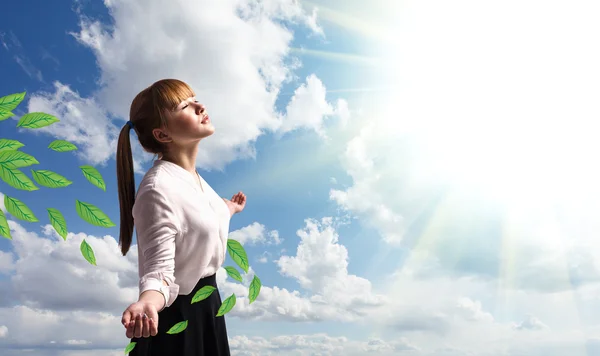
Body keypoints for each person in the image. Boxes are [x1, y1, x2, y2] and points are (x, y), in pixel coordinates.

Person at [115, 79, 246, 356]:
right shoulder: (157, 189)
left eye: (195, 99)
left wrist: (229, 209)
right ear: (162, 135)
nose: (199, 106)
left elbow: (203, 220)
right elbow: (159, 270)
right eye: (184, 106)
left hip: (208, 309)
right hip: (178, 319)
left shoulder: (198, 182)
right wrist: (148, 301)